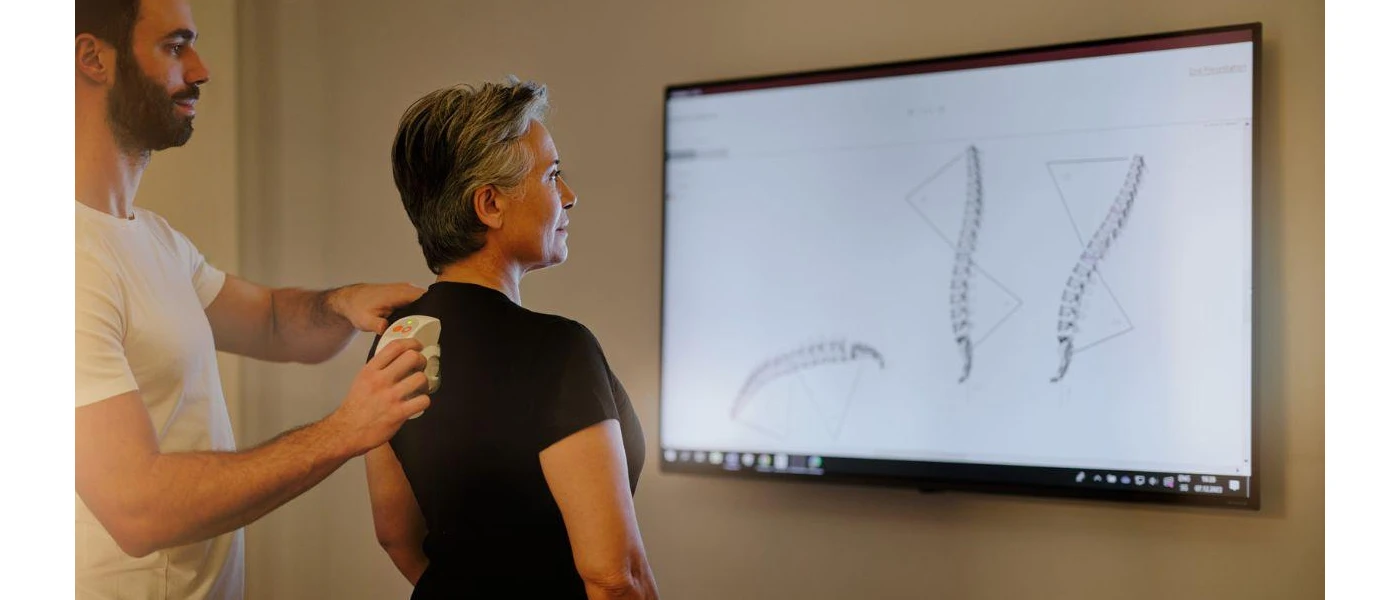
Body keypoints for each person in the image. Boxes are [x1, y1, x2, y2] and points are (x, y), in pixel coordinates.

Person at [75, 0, 432, 597]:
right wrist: (346, 429)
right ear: (93, 58)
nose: (200, 68)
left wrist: (343, 302)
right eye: (174, 46)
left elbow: (268, 322)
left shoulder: (155, 239)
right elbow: (136, 508)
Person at [364, 79, 659, 599]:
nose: (569, 196)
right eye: (552, 175)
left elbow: (396, 537)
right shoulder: (559, 350)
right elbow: (615, 578)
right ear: (490, 205)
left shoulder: (396, 340)